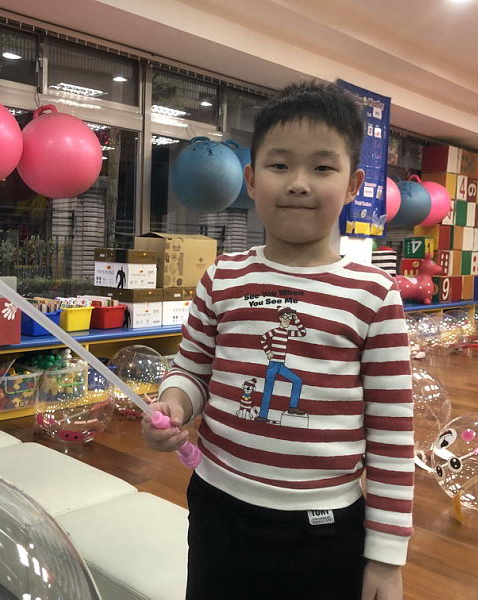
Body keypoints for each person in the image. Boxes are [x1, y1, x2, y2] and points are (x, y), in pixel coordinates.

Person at [142, 80, 413, 600]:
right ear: (250, 179)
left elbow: (393, 434)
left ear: (353, 185)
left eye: (323, 167)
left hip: (323, 526)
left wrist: (386, 557)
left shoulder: (374, 294)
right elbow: (192, 370)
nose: (299, 184)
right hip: (218, 506)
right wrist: (174, 403)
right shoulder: (222, 277)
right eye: (280, 165)